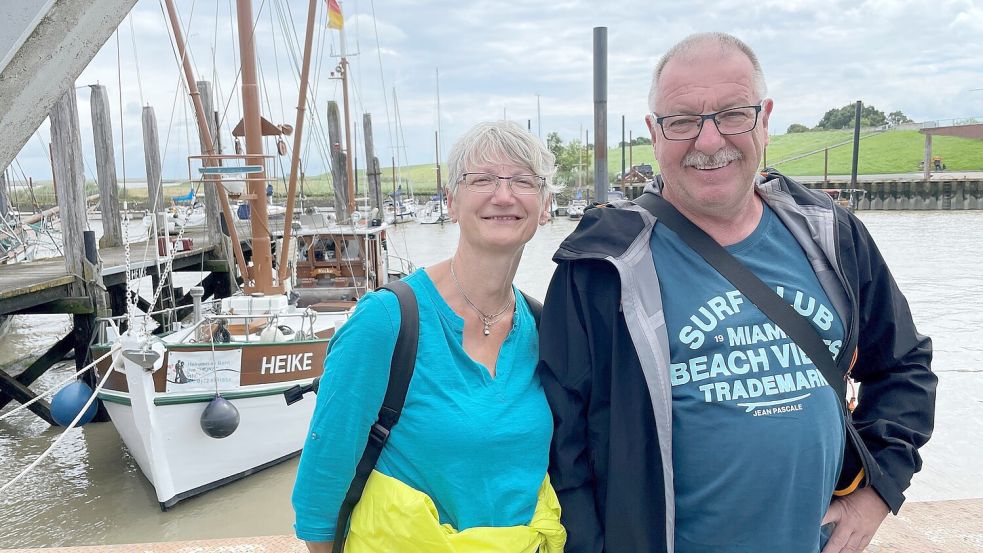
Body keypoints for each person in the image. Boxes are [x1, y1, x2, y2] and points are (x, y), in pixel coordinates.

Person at [538, 32, 936, 553]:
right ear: (654, 134)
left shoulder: (830, 236)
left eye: (732, 114)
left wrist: (877, 493)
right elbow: (563, 452)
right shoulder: (599, 267)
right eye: (682, 121)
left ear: (765, 118)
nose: (708, 142)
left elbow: (903, 366)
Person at [292, 120, 566, 552]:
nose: (503, 194)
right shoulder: (387, 320)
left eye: (523, 181)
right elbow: (322, 484)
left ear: (545, 205)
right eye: (482, 179)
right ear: (451, 203)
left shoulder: (544, 326)